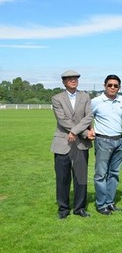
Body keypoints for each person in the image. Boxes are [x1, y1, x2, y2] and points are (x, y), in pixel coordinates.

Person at [50, 70, 93, 219]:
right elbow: (62, 120)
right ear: (64, 82)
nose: (73, 80)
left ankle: (79, 208)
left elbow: (88, 117)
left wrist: (75, 132)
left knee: (80, 178)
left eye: (75, 78)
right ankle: (63, 209)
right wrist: (79, 131)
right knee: (62, 178)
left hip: (81, 144)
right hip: (63, 143)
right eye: (69, 79)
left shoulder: (85, 96)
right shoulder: (57, 98)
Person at [91, 74, 122, 215]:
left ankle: (110, 202)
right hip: (103, 141)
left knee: (114, 174)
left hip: (119, 141)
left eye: (115, 85)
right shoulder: (96, 101)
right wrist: (90, 129)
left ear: (119, 87)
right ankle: (101, 204)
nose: (112, 87)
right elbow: (87, 116)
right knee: (101, 174)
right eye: (109, 85)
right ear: (104, 85)